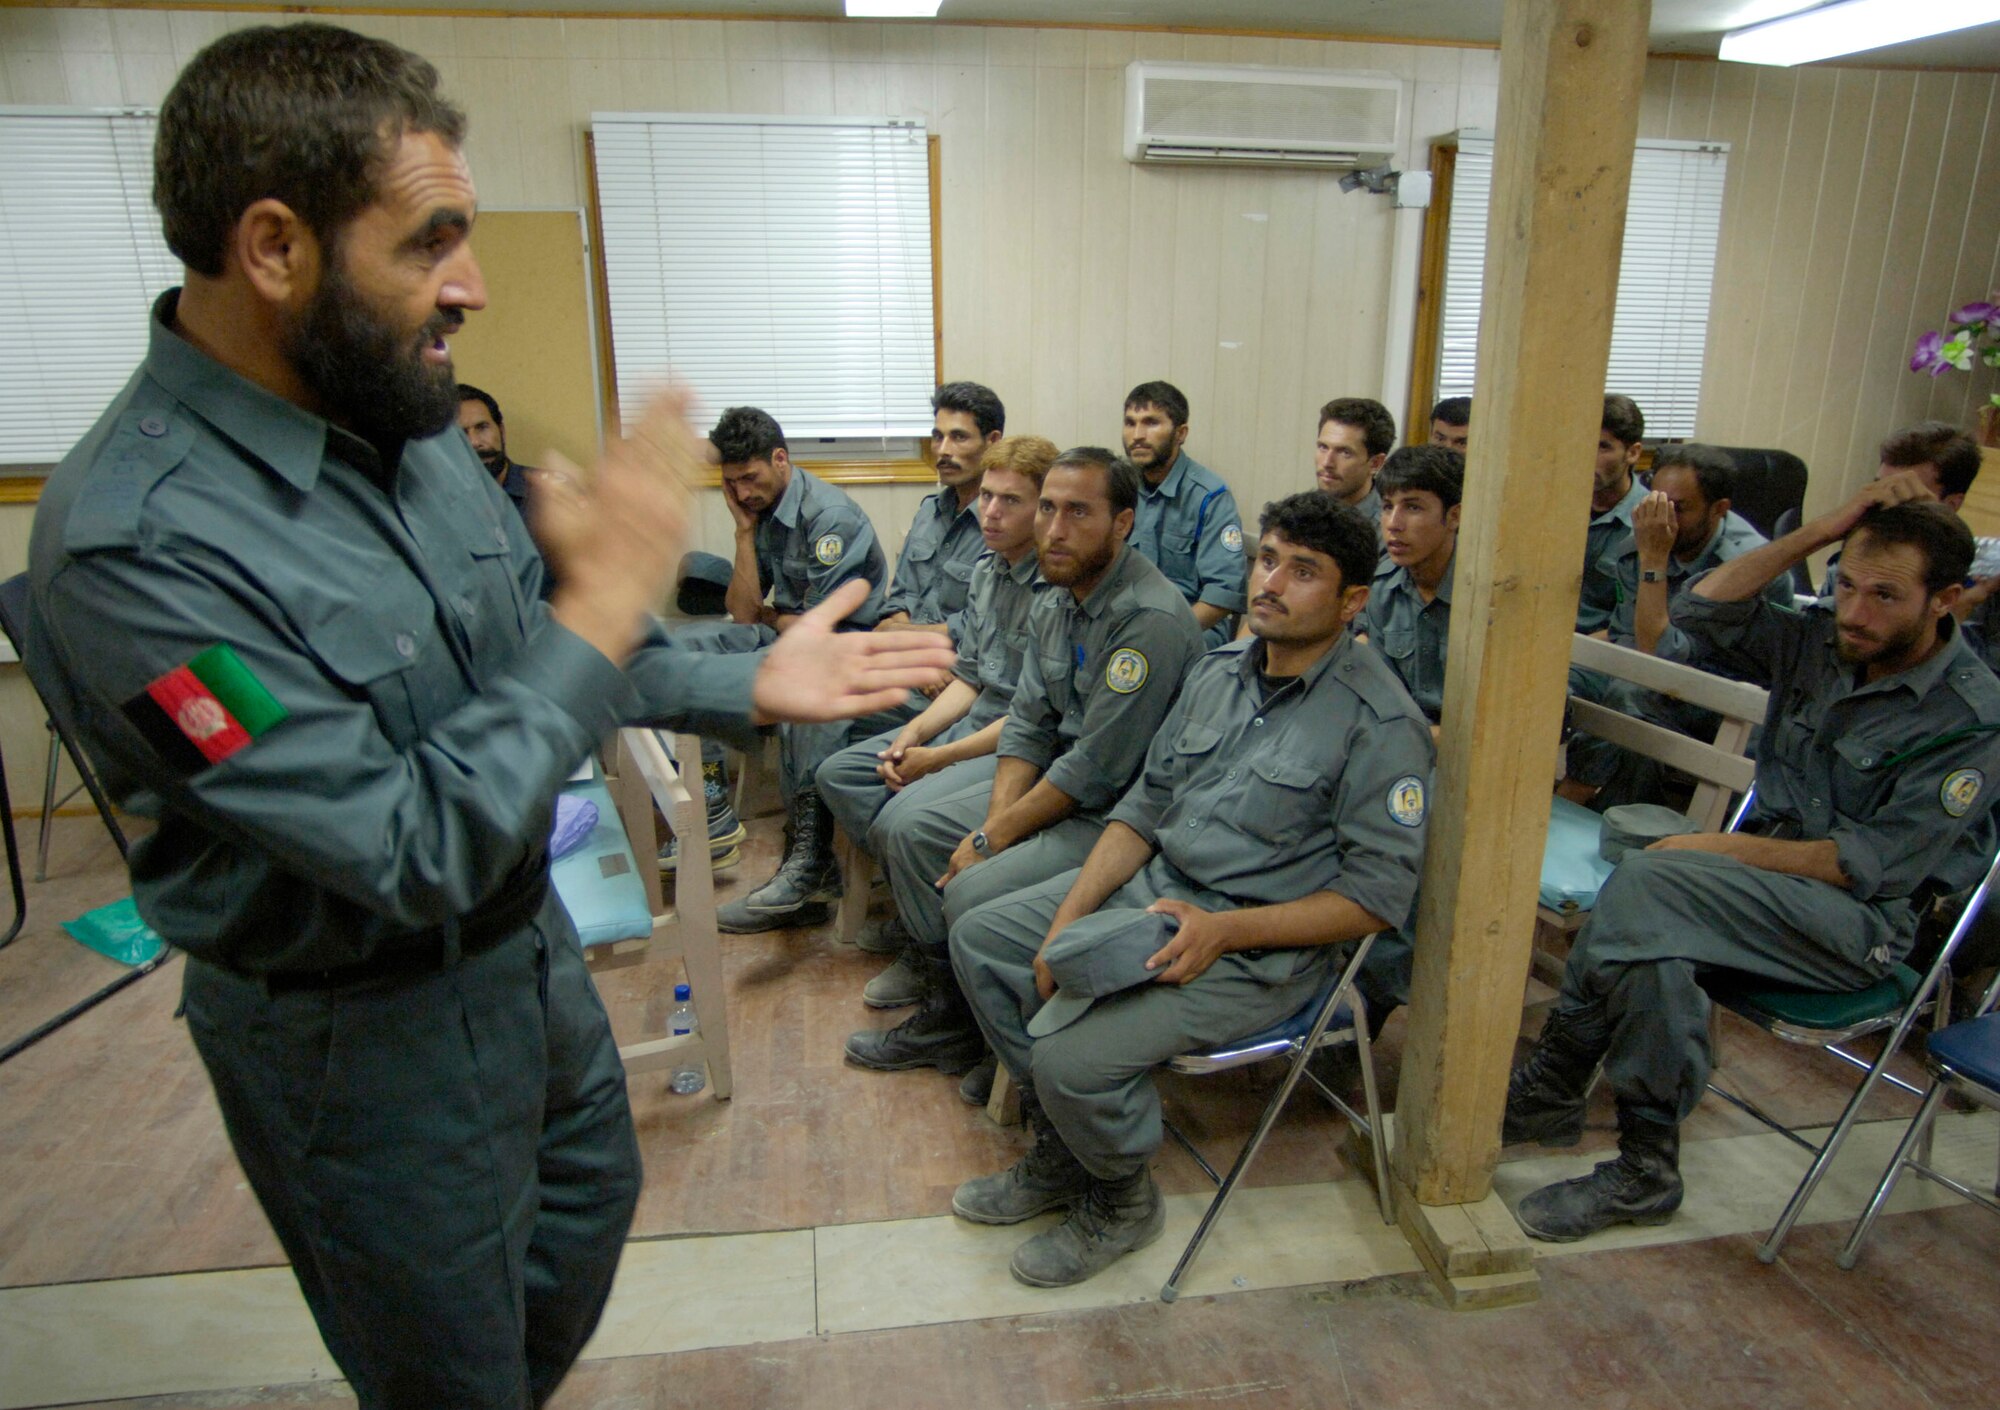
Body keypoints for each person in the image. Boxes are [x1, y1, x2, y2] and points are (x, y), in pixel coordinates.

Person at [22, 25, 956, 1409]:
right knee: (446, 1365)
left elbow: (532, 652)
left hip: (526, 959)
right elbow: (411, 840)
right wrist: (601, 602)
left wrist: (732, 676)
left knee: (582, 1210)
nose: (469, 283)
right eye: (427, 242)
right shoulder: (130, 549)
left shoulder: (400, 427)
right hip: (357, 1041)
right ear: (274, 248)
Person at [947, 492, 1432, 1288]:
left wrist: (1224, 933)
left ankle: (1120, 1196)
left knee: (1069, 1057)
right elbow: (1142, 810)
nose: (1271, 582)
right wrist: (1064, 921)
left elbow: (1376, 901)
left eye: (1303, 571)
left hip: (1257, 949)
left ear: (1353, 602)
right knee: (984, 938)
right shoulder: (1218, 675)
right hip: (1154, 891)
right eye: (1267, 559)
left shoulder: (1379, 725)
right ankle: (1073, 1149)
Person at [1504, 488, 2000, 1242]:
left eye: (1886, 595)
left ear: (1949, 601)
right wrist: (1824, 531)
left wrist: (1710, 846)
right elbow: (1701, 612)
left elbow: (1859, 865)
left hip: (1855, 926)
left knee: (1650, 883)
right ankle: (1644, 1167)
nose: (1856, 612)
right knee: (1655, 937)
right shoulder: (1821, 641)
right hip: (1754, 893)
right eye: (1846, 585)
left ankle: (1556, 1083)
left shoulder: (1971, 718)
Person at [845, 447, 1204, 1080]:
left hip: (1123, 817)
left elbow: (1094, 768)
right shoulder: (1057, 594)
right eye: (1047, 510)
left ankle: (1004, 1048)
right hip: (1062, 784)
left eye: (1077, 513)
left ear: (1122, 524)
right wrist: (994, 828)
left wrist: (994, 838)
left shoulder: (1148, 621)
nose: (1055, 530)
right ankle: (966, 1019)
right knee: (930, 843)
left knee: (973, 889)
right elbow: (1031, 726)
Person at [815, 435, 1056, 1021]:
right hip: (972, 718)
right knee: (841, 773)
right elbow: (970, 679)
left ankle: (933, 955)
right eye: (988, 498)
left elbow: (1030, 721)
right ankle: (919, 903)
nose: (990, 513)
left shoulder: (1054, 589)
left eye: (1010, 501)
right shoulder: (989, 571)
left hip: (1013, 746)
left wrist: (937, 761)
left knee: (903, 819)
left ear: (1043, 509)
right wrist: (915, 735)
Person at [677, 404, 897, 932]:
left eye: (750, 478)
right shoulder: (761, 515)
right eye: (731, 483)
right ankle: (712, 804)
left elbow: (818, 629)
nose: (743, 492)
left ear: (781, 459)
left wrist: (777, 619)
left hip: (846, 645)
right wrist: (743, 534)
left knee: (804, 686)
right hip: (791, 634)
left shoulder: (829, 517)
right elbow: (746, 612)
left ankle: (810, 861)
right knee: (692, 649)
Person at [1567, 445, 1792, 807]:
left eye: (1679, 508)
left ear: (1719, 510)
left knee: (1631, 696)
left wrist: (1653, 558)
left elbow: (1662, 659)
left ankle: (1595, 804)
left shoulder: (1743, 568)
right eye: (1657, 503)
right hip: (1656, 680)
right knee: (1553, 679)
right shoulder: (1638, 543)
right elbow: (1629, 639)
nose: (1661, 520)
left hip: (1731, 701)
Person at [875, 380, 1005, 641]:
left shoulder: (1002, 525)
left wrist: (903, 635)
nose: (943, 450)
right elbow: (898, 599)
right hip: (909, 653)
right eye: (937, 437)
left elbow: (988, 624)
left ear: (992, 442)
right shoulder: (928, 511)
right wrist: (907, 641)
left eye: (959, 437)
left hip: (962, 663)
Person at [1121, 380, 1247, 647]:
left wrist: (1164, 635)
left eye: (1151, 423)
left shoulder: (1210, 496)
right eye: (1130, 423)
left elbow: (1222, 596)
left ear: (1180, 433)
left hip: (1192, 627)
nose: (1137, 435)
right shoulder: (1117, 484)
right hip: (1124, 621)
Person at [1361, 444, 1465, 728]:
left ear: (1454, 516)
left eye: (1413, 507)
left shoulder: (1484, 596)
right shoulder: (1382, 588)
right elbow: (1385, 698)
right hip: (1407, 739)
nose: (1394, 524)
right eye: (1387, 507)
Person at [1576, 394, 1648, 635]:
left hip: (1600, 651)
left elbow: (1636, 625)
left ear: (1633, 453)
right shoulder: (1554, 510)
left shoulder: (1649, 522)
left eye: (1602, 446)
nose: (1587, 458)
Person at [1313, 396, 1395, 541]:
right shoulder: (1301, 513)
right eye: (1323, 447)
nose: (1327, 463)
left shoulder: (1390, 531)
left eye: (1345, 452)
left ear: (1376, 463)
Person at [455, 382, 533, 518]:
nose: (474, 442)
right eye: (461, 434)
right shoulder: (441, 508)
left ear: (501, 431)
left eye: (482, 427)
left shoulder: (547, 496)